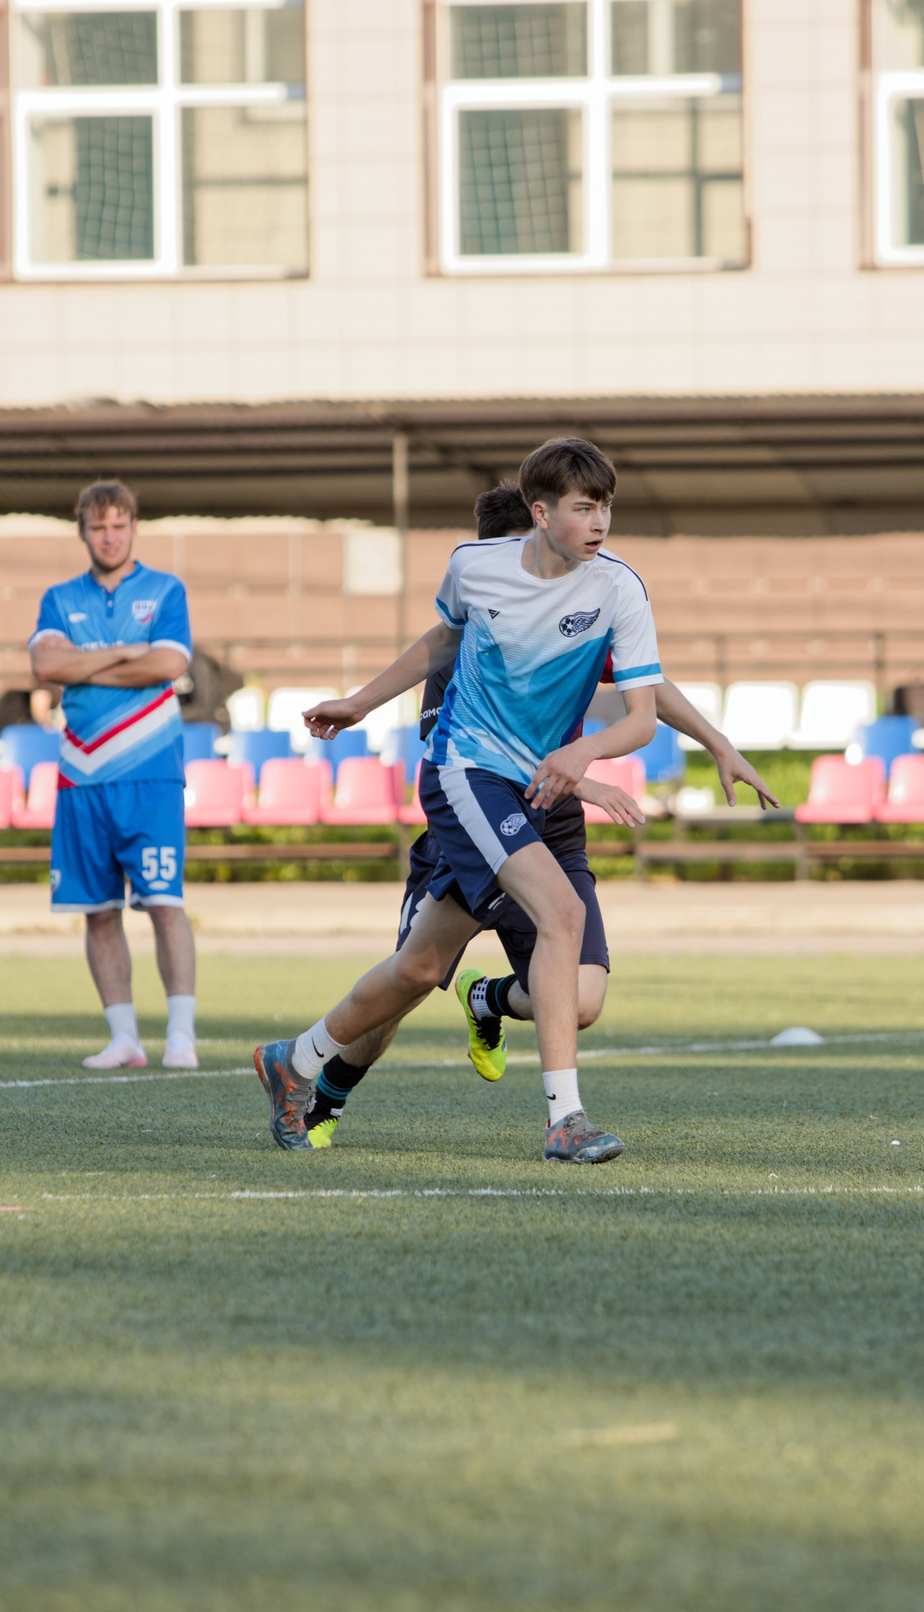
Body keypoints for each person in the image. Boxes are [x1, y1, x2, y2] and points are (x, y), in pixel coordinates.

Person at [297, 483, 775, 1148]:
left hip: (548, 822)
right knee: (413, 973)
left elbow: (647, 685)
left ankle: (489, 1002)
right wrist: (589, 783)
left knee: (581, 1001)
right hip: (467, 830)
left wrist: (718, 742)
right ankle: (322, 1090)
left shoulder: (579, 602)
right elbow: (473, 765)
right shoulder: (472, 641)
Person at [256, 437, 662, 1165]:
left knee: (417, 967)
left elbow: (642, 715)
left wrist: (585, 753)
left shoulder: (619, 588)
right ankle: (565, 1120)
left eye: (606, 506)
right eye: (584, 506)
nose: (600, 520)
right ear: (541, 513)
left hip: (539, 791)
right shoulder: (476, 566)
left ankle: (299, 1058)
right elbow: (441, 642)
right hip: (466, 772)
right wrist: (358, 702)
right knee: (561, 913)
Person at [29, 480, 199, 1071]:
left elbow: (171, 662)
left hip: (150, 772)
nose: (110, 536)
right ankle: (124, 1038)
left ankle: (182, 1036)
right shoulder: (58, 596)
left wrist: (85, 663)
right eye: (99, 526)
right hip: (81, 775)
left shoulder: (165, 589)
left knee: (163, 902)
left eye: (120, 525)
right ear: (83, 530)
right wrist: (126, 652)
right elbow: (46, 664)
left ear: (133, 528)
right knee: (97, 911)